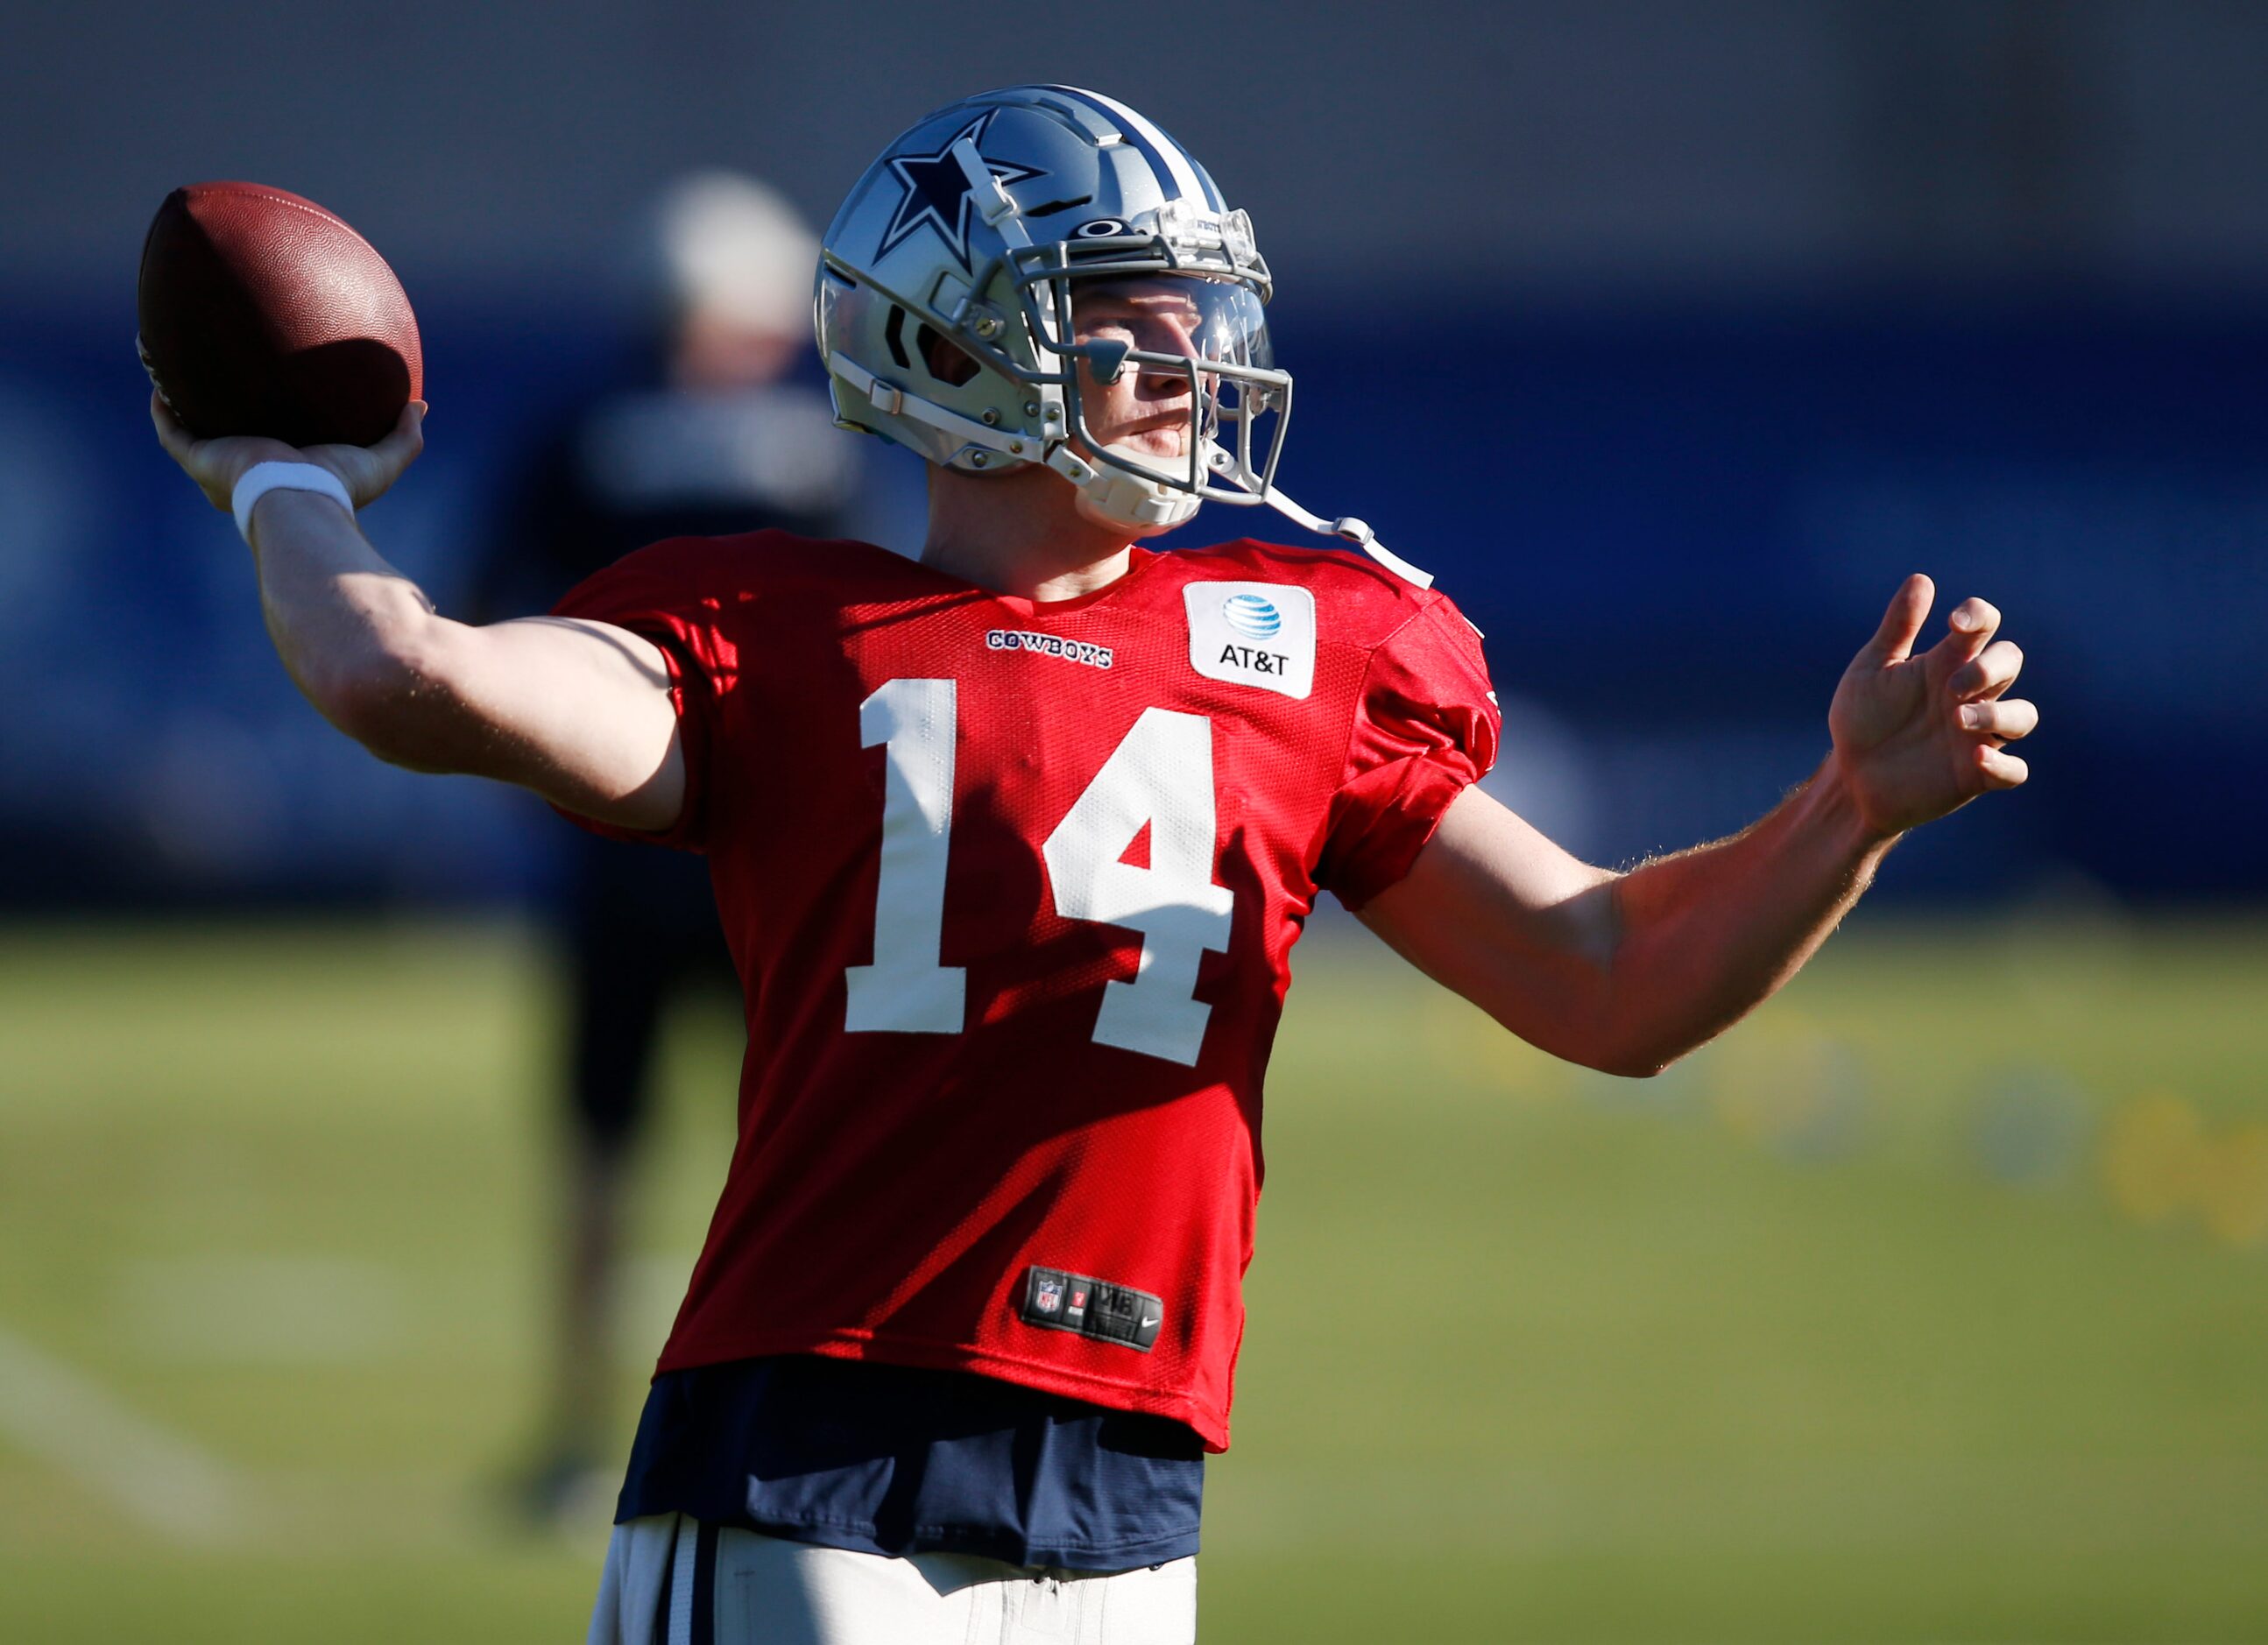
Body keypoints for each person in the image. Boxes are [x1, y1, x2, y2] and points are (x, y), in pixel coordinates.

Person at [152, 85, 2037, 1645]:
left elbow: (1609, 983)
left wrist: (1839, 814)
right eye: (1114, 308)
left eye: (1188, 305)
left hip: (1130, 1501)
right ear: (942, 337)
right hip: (809, 1465)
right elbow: (403, 673)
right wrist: (287, 479)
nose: (1180, 351)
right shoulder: (776, 631)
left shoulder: (1300, 653)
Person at [473, 173, 869, 1520]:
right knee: (807, 1156)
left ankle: (578, 1435)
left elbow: (483, 627)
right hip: (776, 869)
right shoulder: (828, 445)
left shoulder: (578, 434)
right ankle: (814, 1432)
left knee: (601, 1153)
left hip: (620, 860)